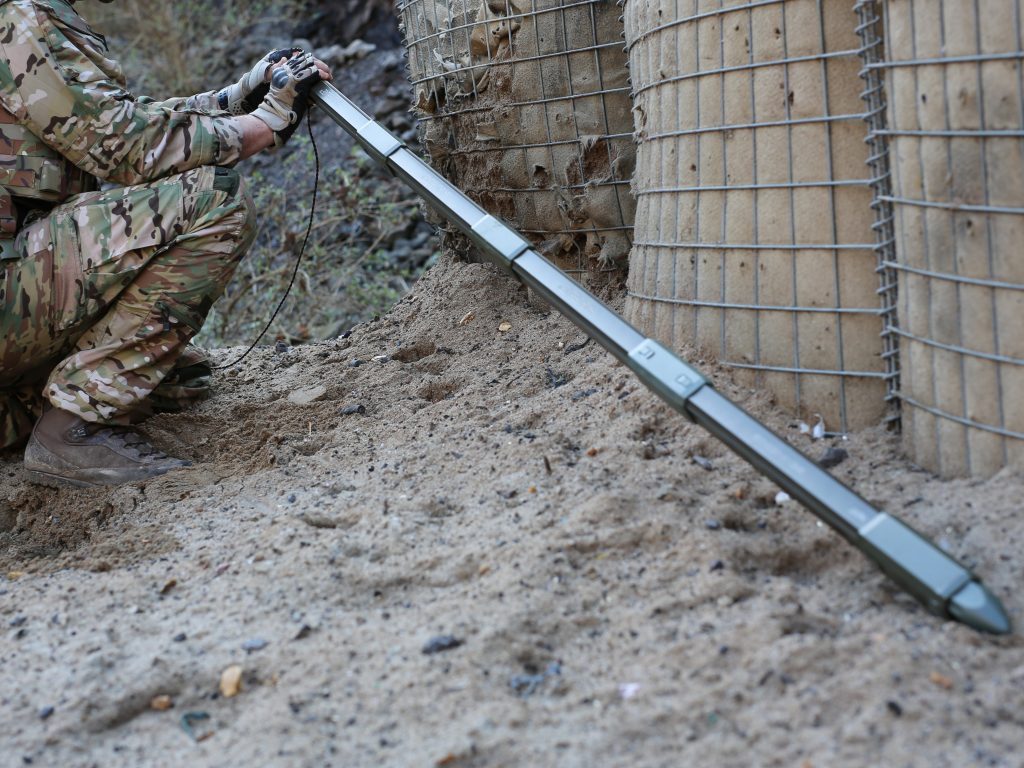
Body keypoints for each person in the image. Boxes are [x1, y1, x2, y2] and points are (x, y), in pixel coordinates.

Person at [0, 0, 331, 487]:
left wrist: (236, 99)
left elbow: (122, 122)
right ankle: (71, 430)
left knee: (177, 377)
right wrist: (266, 123)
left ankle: (40, 407)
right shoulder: (18, 17)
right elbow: (123, 147)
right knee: (215, 198)